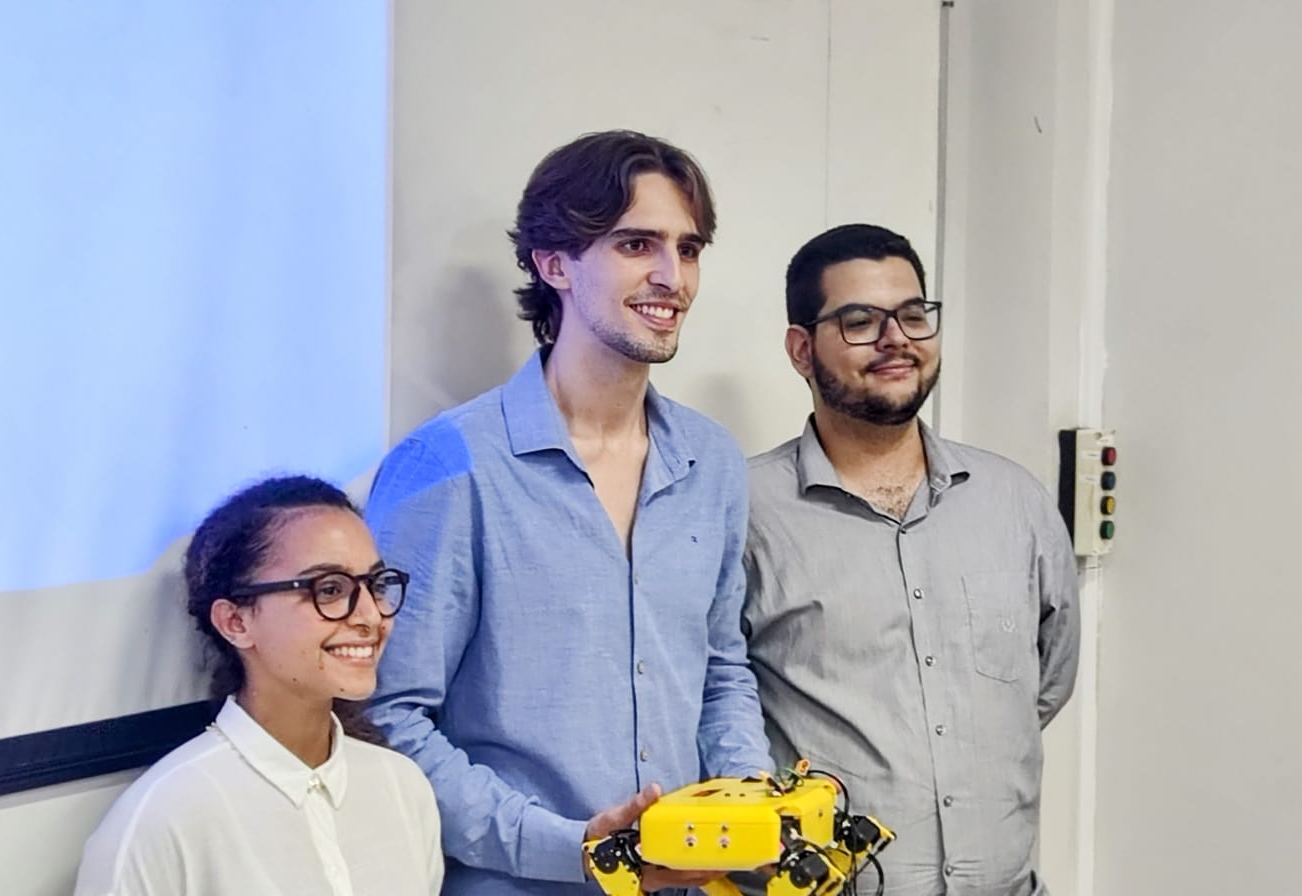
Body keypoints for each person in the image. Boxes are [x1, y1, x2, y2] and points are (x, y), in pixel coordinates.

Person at [365, 130, 772, 895]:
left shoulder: (711, 461)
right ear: (553, 264)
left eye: (687, 249)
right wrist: (574, 848)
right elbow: (388, 717)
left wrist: (749, 805)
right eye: (635, 244)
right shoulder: (447, 465)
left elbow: (720, 672)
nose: (671, 276)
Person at [742, 224, 1080, 896]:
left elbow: (1045, 682)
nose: (896, 338)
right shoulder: (744, 512)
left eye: (913, 314)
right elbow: (711, 703)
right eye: (860, 321)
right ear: (802, 350)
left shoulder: (1014, 502)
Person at [74, 475, 444, 896]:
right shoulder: (163, 819)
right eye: (329, 589)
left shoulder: (402, 787)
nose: (371, 617)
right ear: (235, 621)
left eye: (376, 585)